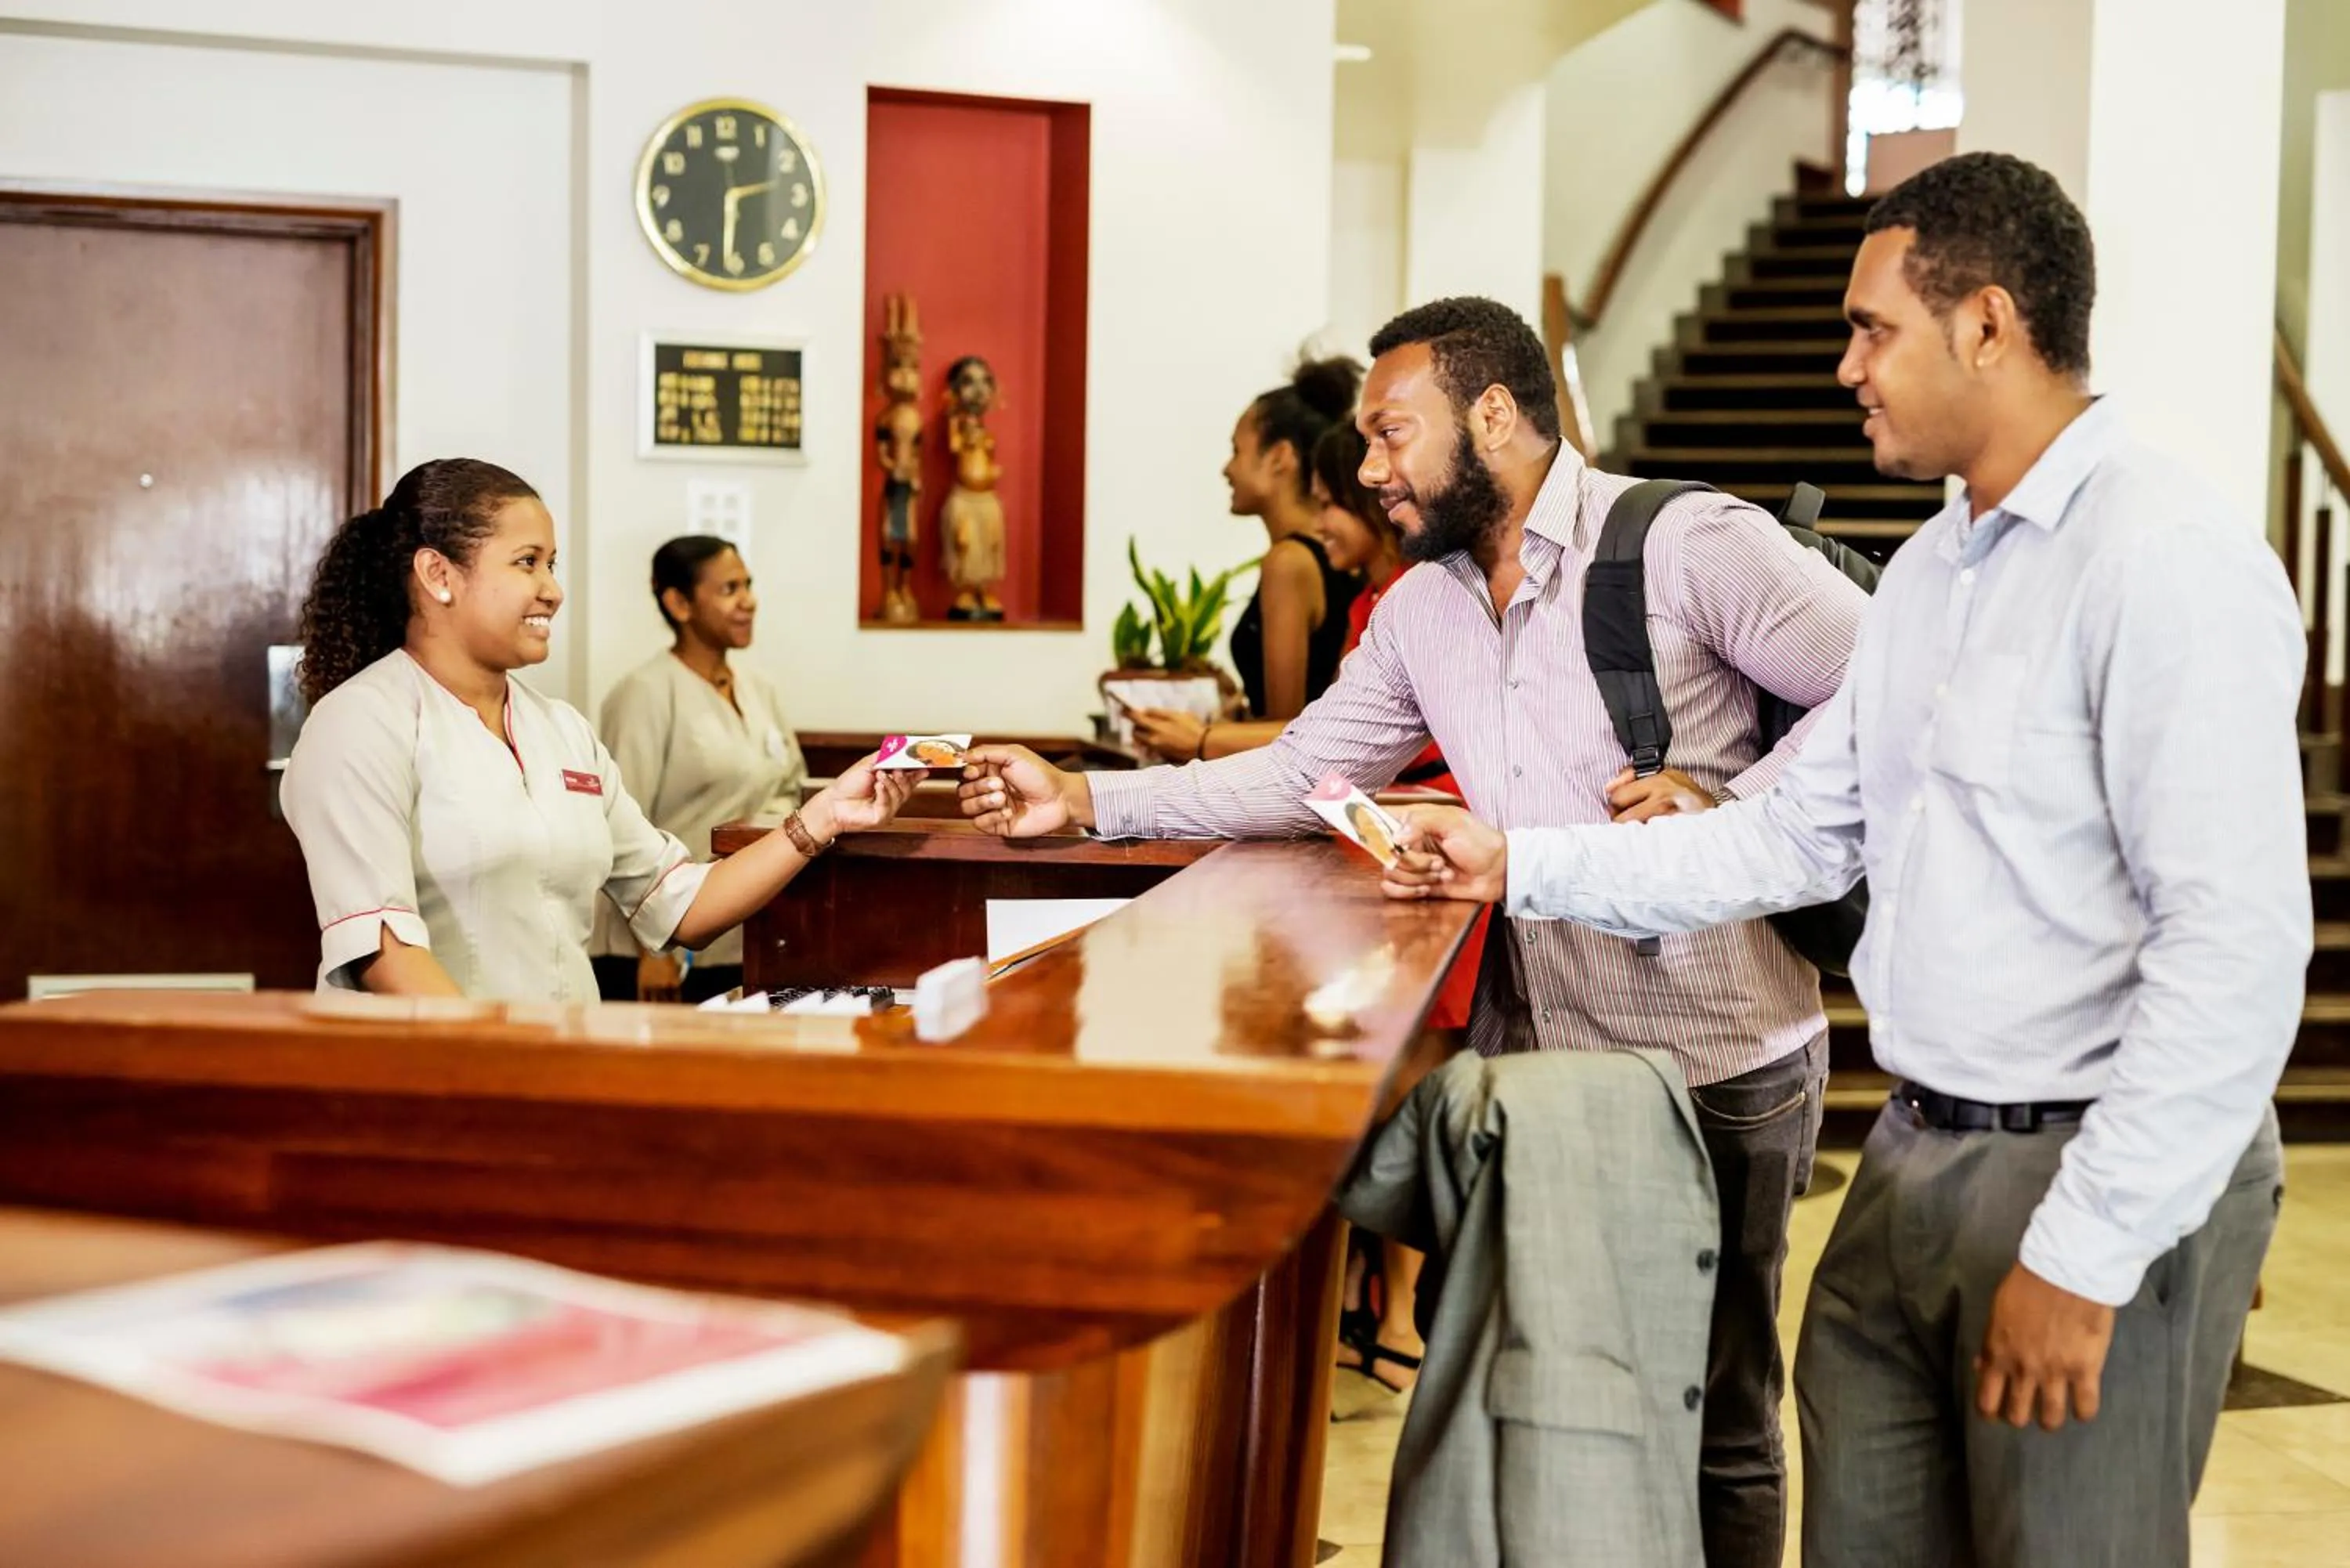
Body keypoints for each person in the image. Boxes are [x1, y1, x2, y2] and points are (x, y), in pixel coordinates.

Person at [1380, 155, 2307, 1568]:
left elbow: (2234, 950)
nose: (1846, 366)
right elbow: (1781, 831)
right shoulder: (1936, 574)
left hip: (2081, 1159)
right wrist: (1514, 861)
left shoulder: (2162, 559)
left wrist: (2090, 1247)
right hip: (1913, 1150)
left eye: (1874, 328)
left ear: (1987, 323)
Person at [960, 296, 1871, 1567]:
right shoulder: (1424, 610)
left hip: (1714, 1049)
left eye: (1394, 433)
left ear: (1494, 415)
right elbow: (1302, 776)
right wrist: (1085, 803)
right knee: (1564, 1390)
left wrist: (1736, 801)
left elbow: (1886, 688)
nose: (1371, 466)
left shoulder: (1686, 543)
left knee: (1714, 1407)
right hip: (1546, 1054)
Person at [283, 459, 913, 1003]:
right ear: (439, 575)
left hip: (560, 1070)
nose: (553, 591)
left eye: (552, 564)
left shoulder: (561, 731)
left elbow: (682, 905)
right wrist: (506, 1069)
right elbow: (383, 954)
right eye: (527, 562)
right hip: (439, 1088)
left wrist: (826, 817)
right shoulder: (359, 724)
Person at [589, 536, 808, 1005]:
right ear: (679, 603)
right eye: (729, 589)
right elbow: (621, 831)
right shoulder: (643, 694)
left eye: (748, 585)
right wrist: (654, 950)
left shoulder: (758, 689)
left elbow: (790, 786)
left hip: (742, 933)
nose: (748, 601)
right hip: (660, 952)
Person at [1127, 356, 1363, 761]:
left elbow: (1288, 725)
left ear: (1279, 458)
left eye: (1237, 451)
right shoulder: (1324, 557)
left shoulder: (1288, 562)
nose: (1227, 469)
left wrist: (1202, 737)